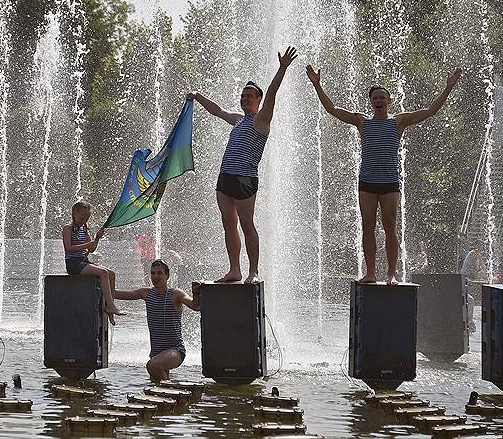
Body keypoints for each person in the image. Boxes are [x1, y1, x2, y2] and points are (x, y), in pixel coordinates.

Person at [306, 64, 461, 285]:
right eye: (375, 98)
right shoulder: (362, 121)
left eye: (382, 97)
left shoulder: (399, 121)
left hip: (389, 183)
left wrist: (448, 88)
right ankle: (370, 273)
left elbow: (430, 111)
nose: (378, 100)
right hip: (367, 183)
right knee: (367, 225)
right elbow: (332, 109)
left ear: (389, 101)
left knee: (390, 226)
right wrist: (317, 85)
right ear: (371, 102)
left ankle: (391, 274)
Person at [187, 46, 298, 283]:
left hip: (245, 179)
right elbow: (217, 111)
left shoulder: (262, 120)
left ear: (257, 101)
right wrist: (197, 96)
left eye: (250, 95)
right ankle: (234, 269)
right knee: (228, 223)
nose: (245, 98)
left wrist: (282, 68)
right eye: (243, 95)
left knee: (247, 224)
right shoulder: (238, 121)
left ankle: (253, 271)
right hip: (225, 177)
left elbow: (271, 93)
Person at [114, 259, 201, 382]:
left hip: (175, 350)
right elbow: (119, 294)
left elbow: (195, 306)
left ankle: (171, 390)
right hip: (156, 352)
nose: (155, 276)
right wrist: (105, 280)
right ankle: (172, 397)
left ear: (167, 275)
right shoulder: (146, 293)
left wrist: (196, 292)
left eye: (159, 273)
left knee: (152, 366)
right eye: (153, 273)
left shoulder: (175, 294)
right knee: (155, 383)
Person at [63, 200, 123, 324]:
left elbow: (91, 249)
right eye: (82, 218)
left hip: (84, 261)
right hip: (73, 264)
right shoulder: (67, 229)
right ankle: (111, 305)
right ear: (74, 213)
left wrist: (97, 238)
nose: (84, 221)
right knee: (103, 273)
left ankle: (109, 308)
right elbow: (68, 248)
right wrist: (87, 244)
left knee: (111, 273)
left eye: (86, 219)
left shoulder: (84, 230)